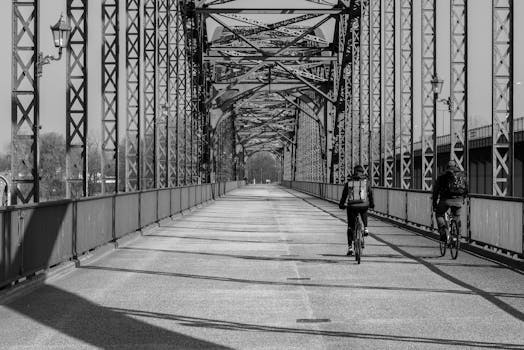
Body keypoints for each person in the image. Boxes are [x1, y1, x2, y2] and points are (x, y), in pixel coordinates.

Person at [339, 165, 374, 256]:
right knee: (364, 209)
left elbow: (344, 195)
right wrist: (372, 204)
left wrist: (341, 204)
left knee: (350, 227)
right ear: (362, 172)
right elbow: (370, 194)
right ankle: (365, 228)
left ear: (354, 172)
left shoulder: (349, 182)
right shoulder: (366, 182)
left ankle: (350, 248)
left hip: (352, 206)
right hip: (363, 205)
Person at [432, 160, 468, 242]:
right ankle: (457, 237)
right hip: (458, 200)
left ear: (447, 167)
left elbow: (436, 190)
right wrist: (463, 199)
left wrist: (434, 203)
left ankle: (443, 232)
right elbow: (466, 188)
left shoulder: (442, 176)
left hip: (445, 200)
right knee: (457, 217)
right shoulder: (462, 175)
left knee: (439, 214)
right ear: (456, 166)